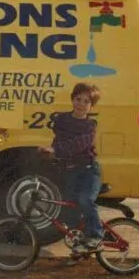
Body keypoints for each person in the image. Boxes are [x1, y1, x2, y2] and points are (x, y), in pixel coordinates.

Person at [40, 82, 104, 264]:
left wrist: (56, 150)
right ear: (72, 99)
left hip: (89, 171)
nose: (81, 104)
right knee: (71, 208)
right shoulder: (62, 120)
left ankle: (96, 236)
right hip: (71, 171)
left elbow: (76, 146)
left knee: (86, 200)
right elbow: (58, 141)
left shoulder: (90, 126)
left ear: (91, 106)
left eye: (86, 102)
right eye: (78, 99)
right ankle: (79, 245)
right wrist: (48, 151)